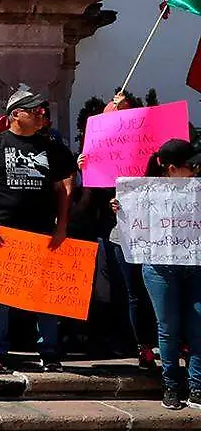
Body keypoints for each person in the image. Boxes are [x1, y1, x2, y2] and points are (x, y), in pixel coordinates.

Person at [0, 89, 74, 374]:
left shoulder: (53, 148)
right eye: (34, 110)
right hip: (4, 234)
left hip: (43, 233)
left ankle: (50, 353)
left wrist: (62, 225)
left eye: (42, 110)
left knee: (46, 295)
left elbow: (63, 189)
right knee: (0, 297)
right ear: (15, 114)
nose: (41, 113)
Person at [115, 139, 201, 410]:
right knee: (169, 328)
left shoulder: (196, 190)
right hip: (160, 268)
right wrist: (121, 209)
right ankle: (172, 385)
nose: (196, 170)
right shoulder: (142, 193)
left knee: (198, 326)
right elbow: (128, 231)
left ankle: (197, 386)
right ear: (172, 169)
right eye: (192, 166)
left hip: (195, 265)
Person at [79, 91, 157, 369]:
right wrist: (86, 173)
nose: (114, 113)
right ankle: (130, 340)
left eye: (121, 109)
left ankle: (149, 340)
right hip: (112, 231)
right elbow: (86, 202)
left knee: (146, 289)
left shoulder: (153, 153)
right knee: (123, 289)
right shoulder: (98, 153)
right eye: (110, 110)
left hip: (154, 232)